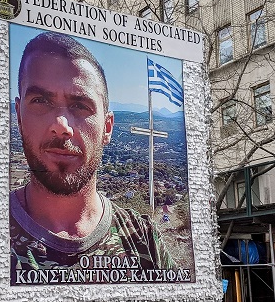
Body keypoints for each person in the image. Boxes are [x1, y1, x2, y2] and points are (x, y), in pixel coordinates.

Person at [10, 31, 174, 280]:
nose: (61, 125)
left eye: (80, 105)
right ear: (19, 116)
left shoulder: (142, 239)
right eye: (41, 101)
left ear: (107, 127)